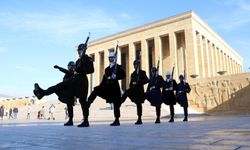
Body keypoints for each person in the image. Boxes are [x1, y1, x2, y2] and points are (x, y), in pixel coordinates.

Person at [33, 43, 94, 127]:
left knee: (83, 101)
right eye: (78, 50)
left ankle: (86, 121)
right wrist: (61, 68)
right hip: (74, 81)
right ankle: (42, 93)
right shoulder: (78, 61)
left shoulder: (87, 58)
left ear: (84, 50)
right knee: (61, 87)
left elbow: (91, 70)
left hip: (82, 82)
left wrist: (81, 66)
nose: (79, 52)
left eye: (80, 50)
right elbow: (71, 71)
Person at [88, 51, 126, 126]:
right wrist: (99, 87)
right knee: (96, 90)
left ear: (114, 58)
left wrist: (116, 76)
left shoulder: (118, 67)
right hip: (107, 88)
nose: (110, 59)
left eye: (111, 57)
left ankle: (117, 120)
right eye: (109, 57)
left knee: (116, 105)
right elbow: (104, 79)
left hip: (114, 88)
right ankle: (88, 102)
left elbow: (123, 75)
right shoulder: (107, 69)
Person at [121, 60, 149, 124]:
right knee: (127, 92)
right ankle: (121, 101)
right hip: (134, 90)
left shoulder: (142, 72)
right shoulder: (133, 74)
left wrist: (139, 82)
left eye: (135, 64)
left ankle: (139, 118)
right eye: (134, 65)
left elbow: (147, 80)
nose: (134, 66)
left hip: (139, 91)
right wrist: (133, 85)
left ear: (138, 65)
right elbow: (130, 84)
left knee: (139, 104)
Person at [54, 61, 75, 125]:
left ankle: (70, 120)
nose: (69, 67)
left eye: (70, 66)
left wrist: (59, 68)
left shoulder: (71, 72)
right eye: (69, 66)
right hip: (67, 92)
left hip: (70, 92)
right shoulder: (69, 73)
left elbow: (66, 71)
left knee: (69, 106)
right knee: (69, 106)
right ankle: (70, 120)